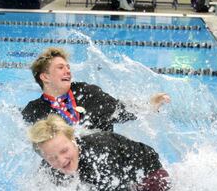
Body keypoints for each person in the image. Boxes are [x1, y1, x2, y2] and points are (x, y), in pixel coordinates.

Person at [28, 115, 171, 191]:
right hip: (119, 180)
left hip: (151, 179)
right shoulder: (50, 167)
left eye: (64, 151)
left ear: (73, 140)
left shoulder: (98, 155)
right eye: (52, 158)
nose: (61, 160)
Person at [21, 47, 170, 131]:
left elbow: (119, 110)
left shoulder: (87, 93)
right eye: (60, 68)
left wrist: (151, 105)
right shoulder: (34, 110)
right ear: (45, 77)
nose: (68, 71)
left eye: (68, 67)